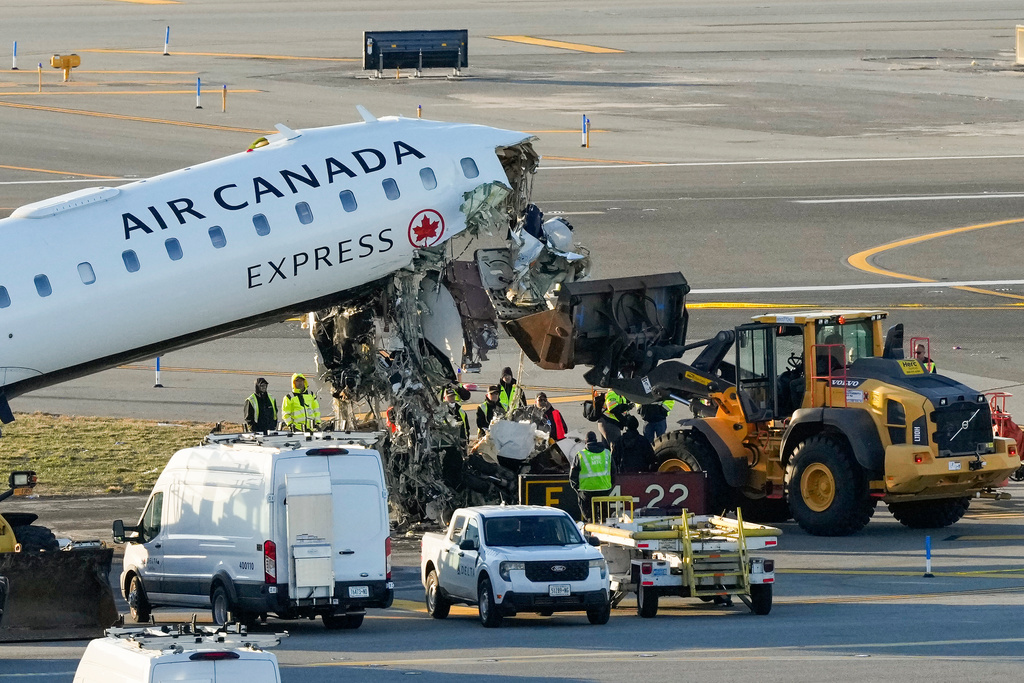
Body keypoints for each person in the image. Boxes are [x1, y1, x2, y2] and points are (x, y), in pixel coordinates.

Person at [569, 432, 612, 523]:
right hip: (604, 490)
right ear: (596, 441)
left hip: (586, 492)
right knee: (605, 519)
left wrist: (579, 490)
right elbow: (614, 473)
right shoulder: (607, 453)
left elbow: (573, 476)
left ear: (586, 442)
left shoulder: (580, 455)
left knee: (590, 519)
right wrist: (609, 486)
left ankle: (590, 526)